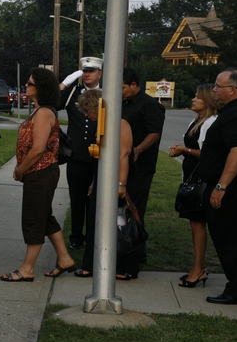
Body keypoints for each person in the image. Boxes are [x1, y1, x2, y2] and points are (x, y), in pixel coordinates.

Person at [0, 67, 76, 282]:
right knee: (45, 217)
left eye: (30, 83)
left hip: (40, 172)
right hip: (40, 173)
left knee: (33, 220)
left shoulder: (43, 113)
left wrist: (20, 169)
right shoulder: (39, 110)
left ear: (40, 87)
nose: (26, 86)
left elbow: (38, 148)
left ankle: (27, 269)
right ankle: (64, 259)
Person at [73, 89, 135, 279]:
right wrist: (94, 181)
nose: (85, 114)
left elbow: (123, 154)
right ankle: (91, 264)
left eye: (87, 110)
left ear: (96, 108)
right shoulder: (100, 125)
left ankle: (124, 266)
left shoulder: (120, 123)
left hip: (117, 179)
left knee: (120, 223)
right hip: (101, 177)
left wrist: (121, 184)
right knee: (94, 221)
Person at [168, 85, 219, 288]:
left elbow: (208, 153)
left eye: (197, 97)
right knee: (195, 224)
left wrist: (185, 150)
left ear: (207, 101)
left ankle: (198, 270)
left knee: (198, 224)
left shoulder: (210, 122)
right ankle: (197, 267)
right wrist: (183, 151)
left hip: (203, 181)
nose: (193, 99)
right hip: (193, 178)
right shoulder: (197, 120)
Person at [199, 70, 237, 305]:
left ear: (232, 89)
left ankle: (236, 290)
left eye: (218, 86)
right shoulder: (230, 113)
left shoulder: (234, 115)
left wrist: (221, 186)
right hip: (227, 189)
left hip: (230, 192)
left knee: (230, 240)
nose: (214, 89)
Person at [57, 57, 102, 249]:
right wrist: (66, 83)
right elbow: (55, 103)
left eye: (91, 71)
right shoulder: (73, 92)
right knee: (77, 199)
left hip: (100, 156)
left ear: (99, 73)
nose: (87, 74)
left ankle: (95, 236)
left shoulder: (107, 92)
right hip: (76, 155)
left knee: (97, 200)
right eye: (84, 70)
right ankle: (76, 237)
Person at [122, 68, 165, 263]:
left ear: (133, 85)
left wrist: (138, 148)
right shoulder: (122, 103)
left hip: (141, 167)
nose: (119, 91)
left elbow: (154, 133)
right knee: (122, 210)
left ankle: (136, 254)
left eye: (122, 87)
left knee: (135, 210)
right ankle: (122, 248)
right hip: (124, 165)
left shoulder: (149, 105)